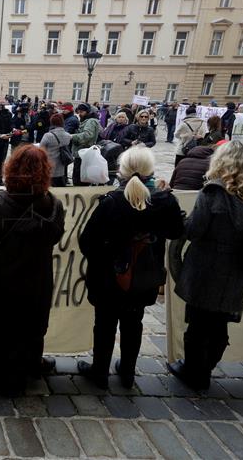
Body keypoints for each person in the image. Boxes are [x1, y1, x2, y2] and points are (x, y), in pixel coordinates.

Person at [169, 141, 243, 390]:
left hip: (206, 268)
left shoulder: (214, 192)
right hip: (239, 270)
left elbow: (195, 230)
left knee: (198, 324)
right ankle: (206, 369)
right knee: (220, 322)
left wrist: (182, 222)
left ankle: (194, 372)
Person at [78, 147, 184, 388]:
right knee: (133, 323)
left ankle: (100, 371)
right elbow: (176, 231)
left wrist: (104, 260)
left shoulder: (112, 202)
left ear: (122, 170)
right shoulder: (164, 201)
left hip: (108, 278)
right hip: (143, 277)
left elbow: (87, 242)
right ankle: (127, 372)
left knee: (104, 324)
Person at [0, 145, 66, 395]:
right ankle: (27, 366)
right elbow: (55, 237)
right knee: (31, 323)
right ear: (45, 172)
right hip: (37, 274)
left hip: (4, 271)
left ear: (11, 169)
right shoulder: (53, 206)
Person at [70, 103, 102, 186]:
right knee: (79, 178)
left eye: (81, 112)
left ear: (87, 112)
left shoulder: (91, 121)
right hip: (81, 153)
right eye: (78, 112)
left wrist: (72, 137)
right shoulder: (87, 120)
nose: (79, 114)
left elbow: (87, 135)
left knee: (80, 180)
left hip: (84, 154)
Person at [40, 114, 72, 187]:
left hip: (49, 166)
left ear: (52, 123)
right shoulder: (67, 135)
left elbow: (41, 149)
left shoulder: (47, 136)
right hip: (61, 167)